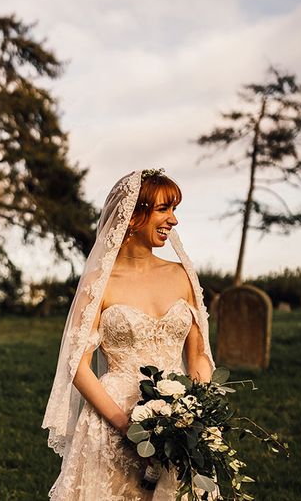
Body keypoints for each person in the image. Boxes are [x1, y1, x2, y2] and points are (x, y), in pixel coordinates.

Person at [43, 169, 215, 500]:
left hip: (179, 423)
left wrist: (196, 414)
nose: (173, 221)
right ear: (134, 215)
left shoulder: (182, 276)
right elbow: (77, 366)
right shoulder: (99, 284)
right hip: (112, 422)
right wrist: (129, 429)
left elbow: (197, 355)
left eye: (174, 210)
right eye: (164, 209)